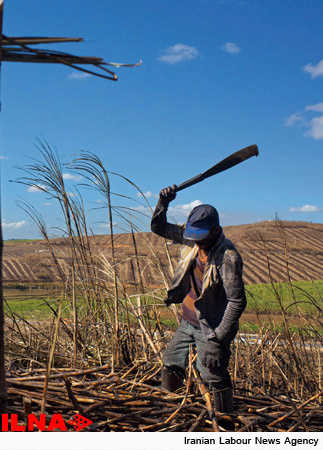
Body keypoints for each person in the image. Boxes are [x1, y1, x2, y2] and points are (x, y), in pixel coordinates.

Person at [151, 185, 246, 413]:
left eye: (202, 237)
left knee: (213, 374)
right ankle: (172, 411)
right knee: (171, 363)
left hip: (212, 328)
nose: (197, 242)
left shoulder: (228, 257)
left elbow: (237, 302)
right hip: (187, 322)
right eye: (194, 236)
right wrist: (163, 203)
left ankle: (223, 421)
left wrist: (217, 340)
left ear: (215, 231)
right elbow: (158, 227)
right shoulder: (190, 237)